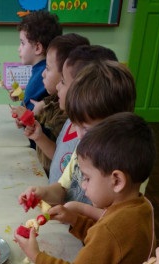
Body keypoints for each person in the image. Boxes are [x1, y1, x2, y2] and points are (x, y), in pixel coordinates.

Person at [15, 112, 156, 264]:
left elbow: (105, 237)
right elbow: (104, 245)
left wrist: (37, 256)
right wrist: (75, 220)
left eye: (87, 178)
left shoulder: (109, 231)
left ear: (117, 181)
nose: (83, 184)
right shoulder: (142, 206)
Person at [18, 60, 137, 209]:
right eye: (75, 125)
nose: (79, 137)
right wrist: (43, 192)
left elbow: (121, 220)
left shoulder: (130, 165)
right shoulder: (82, 147)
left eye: (86, 129)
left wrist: (77, 212)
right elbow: (62, 189)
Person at [23, 45, 118, 184]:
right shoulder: (71, 121)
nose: (57, 87)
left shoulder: (93, 137)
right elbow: (60, 158)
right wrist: (40, 137)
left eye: (63, 81)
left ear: (81, 89)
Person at [12, 33, 90, 176]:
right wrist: (29, 121)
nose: (43, 74)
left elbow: (60, 159)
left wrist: (36, 130)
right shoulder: (52, 101)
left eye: (47, 68)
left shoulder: (69, 116)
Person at [11, 11, 62, 112]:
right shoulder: (42, 69)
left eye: (22, 43)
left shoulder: (41, 75)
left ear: (38, 48)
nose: (19, 48)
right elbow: (37, 99)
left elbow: (27, 111)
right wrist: (23, 96)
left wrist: (19, 111)